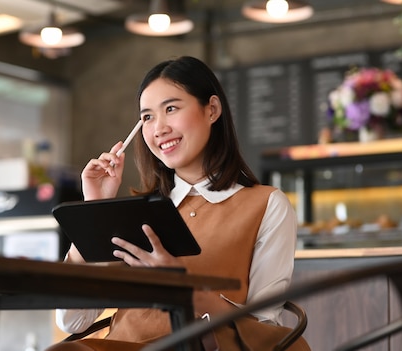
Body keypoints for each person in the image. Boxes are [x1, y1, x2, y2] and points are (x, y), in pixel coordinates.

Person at [48, 56, 309, 351]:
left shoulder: (267, 205)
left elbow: (264, 332)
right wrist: (94, 210)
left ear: (212, 110)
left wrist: (185, 287)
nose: (158, 128)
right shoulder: (135, 212)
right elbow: (72, 322)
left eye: (171, 109)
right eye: (147, 117)